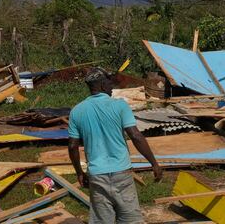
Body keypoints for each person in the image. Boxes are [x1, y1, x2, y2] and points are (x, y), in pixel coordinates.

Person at [68, 67, 162, 224]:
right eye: (110, 82)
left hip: (97, 175)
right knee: (131, 220)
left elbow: (72, 146)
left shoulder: (77, 111)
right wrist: (154, 163)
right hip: (121, 173)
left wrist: (79, 172)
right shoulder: (120, 106)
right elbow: (136, 136)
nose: (112, 86)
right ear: (103, 85)